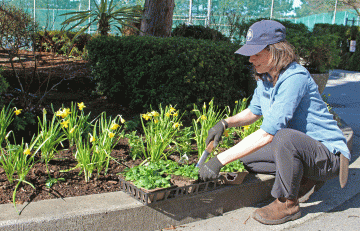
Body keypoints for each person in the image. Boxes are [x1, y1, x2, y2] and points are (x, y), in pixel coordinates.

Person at [198, 20, 351, 225]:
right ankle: (304, 178)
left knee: (283, 137)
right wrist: (225, 123)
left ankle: (287, 203)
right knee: (248, 158)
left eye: (256, 53)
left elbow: (269, 133)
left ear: (276, 52)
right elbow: (254, 111)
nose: (251, 59)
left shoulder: (294, 78)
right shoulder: (266, 77)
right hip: (305, 150)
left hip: (328, 155)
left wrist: (219, 160)